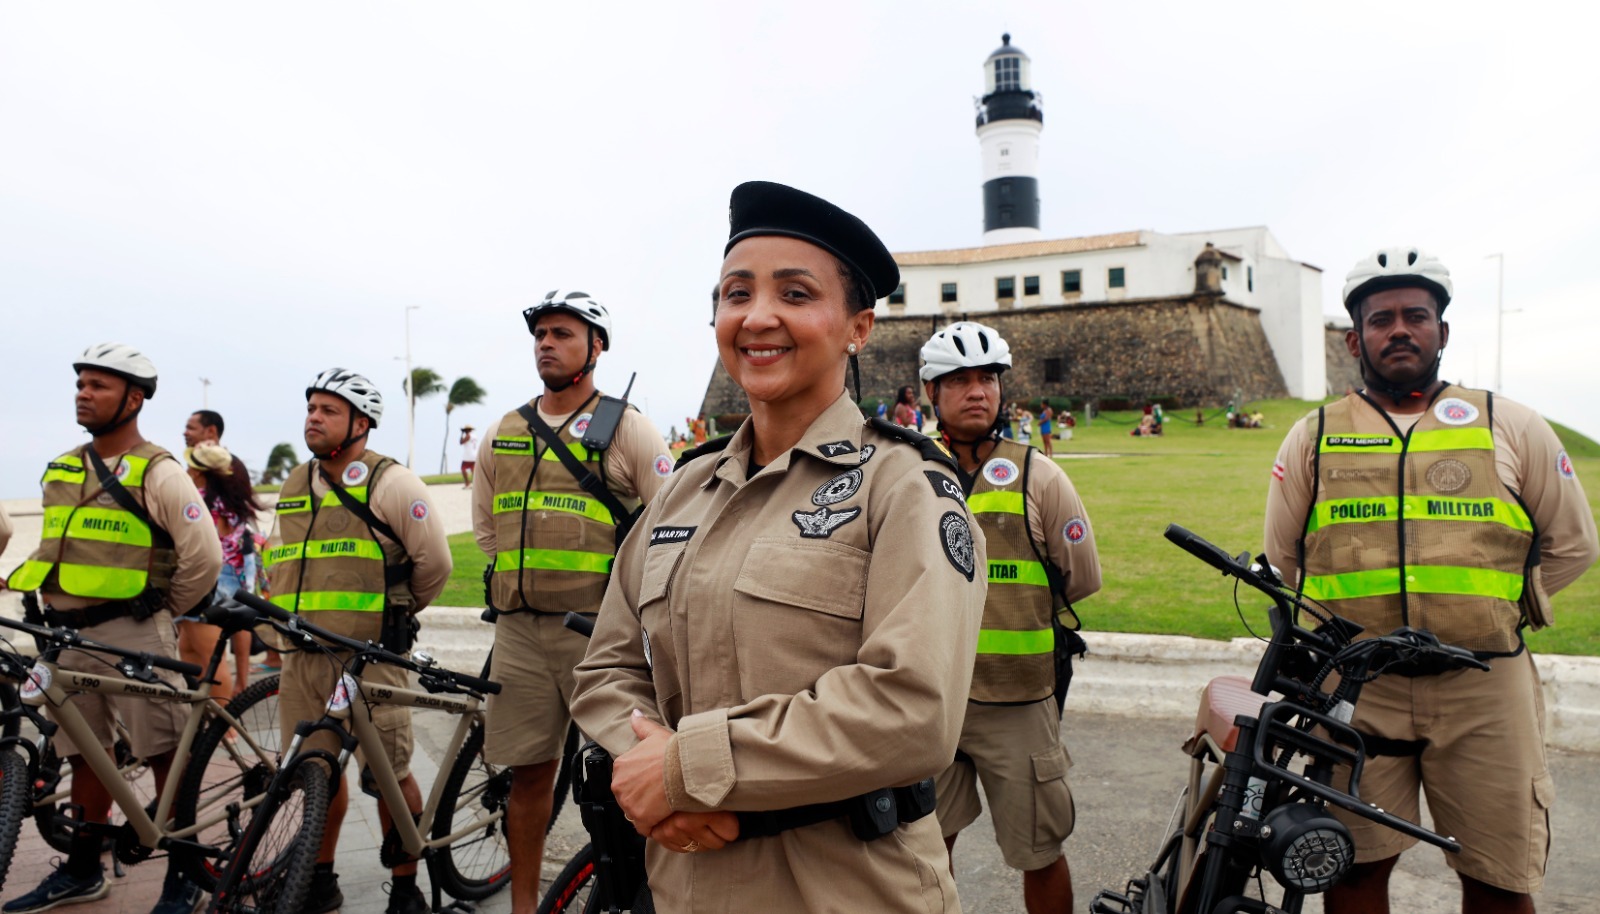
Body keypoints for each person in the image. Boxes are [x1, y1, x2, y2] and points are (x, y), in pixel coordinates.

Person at [571, 181, 987, 913]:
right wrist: (651, 770)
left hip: (847, 889)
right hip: (685, 881)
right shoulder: (682, 490)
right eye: (737, 294)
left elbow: (912, 709)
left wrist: (685, 768)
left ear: (858, 327)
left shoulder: (903, 487)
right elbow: (608, 665)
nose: (757, 316)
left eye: (795, 294)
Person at [1265, 247, 1598, 914]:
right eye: (1381, 319)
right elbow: (1286, 559)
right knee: (1352, 871)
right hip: (1358, 691)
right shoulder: (1314, 434)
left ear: (1441, 331)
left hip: (1484, 687)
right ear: (1355, 339)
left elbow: (1572, 546)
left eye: (1416, 316)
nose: (1400, 330)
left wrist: (1491, 612)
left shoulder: (1509, 423)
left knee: (1500, 879)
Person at [471, 288, 673, 914]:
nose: (547, 344)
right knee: (528, 777)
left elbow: (673, 520)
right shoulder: (503, 431)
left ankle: (644, 898)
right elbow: (487, 531)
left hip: (599, 637)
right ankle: (523, 906)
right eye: (541, 334)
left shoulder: (626, 427)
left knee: (627, 776)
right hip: (519, 634)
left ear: (596, 346)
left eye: (562, 333)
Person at [3, 343, 223, 914]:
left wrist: (158, 610)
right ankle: (82, 870)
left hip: (134, 633)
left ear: (134, 398)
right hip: (65, 635)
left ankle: (186, 873)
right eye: (81, 383)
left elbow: (205, 557)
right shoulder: (62, 466)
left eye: (98, 385)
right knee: (86, 753)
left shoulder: (160, 470)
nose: (83, 393)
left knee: (167, 751)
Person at [919, 321, 1101, 914]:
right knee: (923, 850)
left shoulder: (1040, 475)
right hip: (929, 700)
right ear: (931, 392)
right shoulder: (908, 470)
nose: (977, 391)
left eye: (988, 379)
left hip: (1019, 700)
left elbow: (1081, 576)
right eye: (959, 380)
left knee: (1040, 850)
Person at [265, 368, 452, 914]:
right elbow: (282, 558)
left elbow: (435, 565)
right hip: (304, 656)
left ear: (361, 423)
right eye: (311, 408)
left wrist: (396, 614)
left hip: (371, 659)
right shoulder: (295, 483)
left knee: (389, 775)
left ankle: (406, 888)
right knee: (314, 773)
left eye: (328, 410)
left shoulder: (391, 483)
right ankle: (319, 878)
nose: (314, 418)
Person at [181, 442, 263, 698]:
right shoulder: (229, 502)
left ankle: (223, 716)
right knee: (191, 649)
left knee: (208, 657)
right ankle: (213, 712)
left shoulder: (198, 500)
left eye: (190, 466)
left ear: (198, 471)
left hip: (206, 581)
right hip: (230, 578)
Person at [459, 423, 479, 488]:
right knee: (473, 469)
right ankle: (476, 484)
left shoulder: (468, 435)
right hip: (474, 455)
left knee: (463, 469)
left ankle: (467, 483)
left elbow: (461, 442)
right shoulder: (474, 436)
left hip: (468, 455)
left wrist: (461, 434)